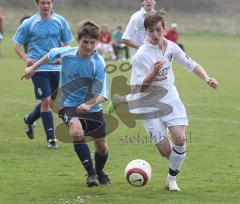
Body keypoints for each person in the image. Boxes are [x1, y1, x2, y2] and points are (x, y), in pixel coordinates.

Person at [129, 11, 218, 191]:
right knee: (166, 152)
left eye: (158, 30)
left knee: (179, 137)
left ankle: (171, 181)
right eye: (151, 31)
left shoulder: (171, 46)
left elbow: (191, 64)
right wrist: (154, 72)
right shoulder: (141, 56)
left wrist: (207, 78)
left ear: (164, 29)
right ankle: (173, 158)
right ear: (145, 31)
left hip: (169, 96)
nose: (155, 34)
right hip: (147, 102)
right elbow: (138, 88)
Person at [21, 21, 110, 187]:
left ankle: (99, 171)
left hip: (93, 107)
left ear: (97, 42)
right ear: (78, 40)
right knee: (76, 131)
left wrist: (89, 105)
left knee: (102, 147)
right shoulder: (67, 53)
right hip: (68, 103)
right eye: (85, 42)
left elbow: (104, 94)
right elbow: (51, 54)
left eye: (93, 42)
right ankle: (91, 174)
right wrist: (32, 68)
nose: (89, 46)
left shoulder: (98, 63)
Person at [13, 0, 74, 149]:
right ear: (37, 4)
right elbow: (16, 44)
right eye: (43, 3)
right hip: (38, 68)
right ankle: (51, 139)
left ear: (52, 4)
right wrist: (26, 59)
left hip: (55, 68)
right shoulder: (29, 23)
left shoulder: (60, 21)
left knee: (50, 103)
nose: (46, 6)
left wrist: (63, 57)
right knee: (46, 101)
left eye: (48, 3)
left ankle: (29, 119)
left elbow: (68, 44)